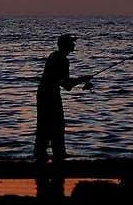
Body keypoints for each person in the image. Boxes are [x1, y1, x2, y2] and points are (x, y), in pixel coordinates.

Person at [34, 34, 92, 166]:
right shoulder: (63, 60)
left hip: (44, 94)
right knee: (57, 125)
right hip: (51, 96)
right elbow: (67, 86)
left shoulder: (53, 56)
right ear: (66, 45)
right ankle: (58, 154)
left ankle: (42, 154)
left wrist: (81, 79)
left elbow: (62, 82)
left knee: (44, 125)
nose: (74, 44)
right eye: (72, 42)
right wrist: (83, 79)